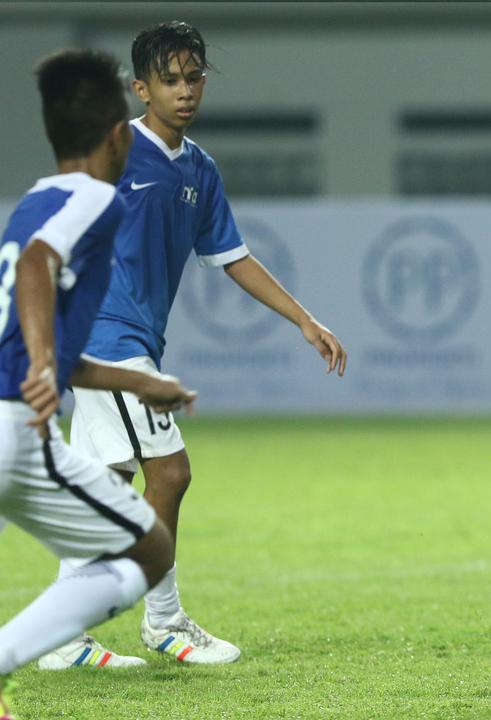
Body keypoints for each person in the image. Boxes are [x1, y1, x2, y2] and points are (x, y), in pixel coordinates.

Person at [37, 21, 348, 670]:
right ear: (139, 87)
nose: (184, 91)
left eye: (193, 77)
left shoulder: (199, 169)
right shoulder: (115, 149)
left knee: (108, 483)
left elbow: (232, 257)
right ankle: (165, 625)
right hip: (105, 338)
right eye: (169, 80)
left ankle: (64, 639)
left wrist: (304, 319)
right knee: (170, 472)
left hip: (134, 339)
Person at [0, 48, 196, 715]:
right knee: (145, 549)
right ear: (118, 138)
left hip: (15, 415)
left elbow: (46, 324)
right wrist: (39, 364)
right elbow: (34, 268)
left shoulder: (36, 199)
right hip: (13, 430)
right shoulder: (96, 201)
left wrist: (138, 386)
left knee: (140, 543)